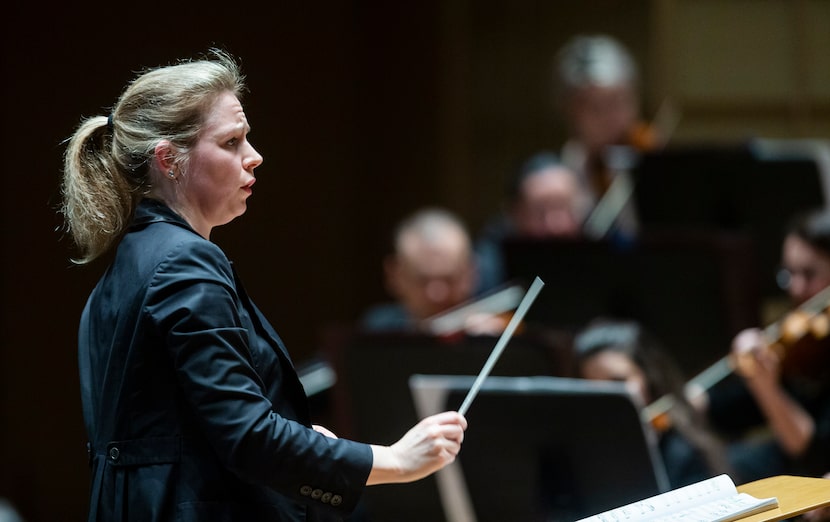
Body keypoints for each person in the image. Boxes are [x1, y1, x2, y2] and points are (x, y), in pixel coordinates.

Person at [59, 49, 467, 522]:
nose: (254, 157)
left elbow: (181, 434)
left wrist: (306, 440)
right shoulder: (184, 262)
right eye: (231, 141)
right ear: (169, 159)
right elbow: (248, 437)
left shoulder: (127, 265)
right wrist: (396, 459)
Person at [705, 208, 830, 484]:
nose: (796, 288)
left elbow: (815, 455)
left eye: (809, 274)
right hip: (792, 458)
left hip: (815, 475)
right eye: (790, 273)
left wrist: (766, 387)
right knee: (709, 468)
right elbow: (741, 409)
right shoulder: (801, 336)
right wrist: (693, 402)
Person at [573, 318, 732, 489]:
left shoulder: (684, 451)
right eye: (594, 388)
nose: (606, 397)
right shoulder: (587, 460)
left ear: (649, 377)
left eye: (618, 381)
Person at [553, 34, 666, 239]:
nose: (613, 119)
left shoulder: (651, 158)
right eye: (597, 108)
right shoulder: (554, 179)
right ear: (571, 112)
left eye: (620, 103)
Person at [361, 207, 507, 336]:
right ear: (395, 275)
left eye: (449, 279)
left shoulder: (494, 335)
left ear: (472, 272)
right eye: (422, 280)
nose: (437, 294)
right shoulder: (375, 333)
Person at [474, 151, 589, 293]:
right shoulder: (487, 268)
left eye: (564, 207)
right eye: (540, 211)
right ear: (514, 213)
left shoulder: (599, 256)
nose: (555, 226)